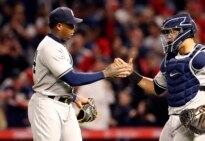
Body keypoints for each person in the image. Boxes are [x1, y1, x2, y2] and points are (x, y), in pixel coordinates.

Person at [116, 13, 205, 141]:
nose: (169, 36)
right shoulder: (169, 60)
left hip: (193, 118)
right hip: (172, 118)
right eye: (168, 33)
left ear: (184, 31)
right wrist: (132, 74)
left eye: (172, 32)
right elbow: (156, 88)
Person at [28, 7, 131, 141]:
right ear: (59, 26)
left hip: (64, 103)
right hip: (47, 105)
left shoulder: (58, 46)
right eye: (70, 25)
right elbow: (72, 78)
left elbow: (56, 81)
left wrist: (74, 97)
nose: (73, 28)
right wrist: (105, 73)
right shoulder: (49, 47)